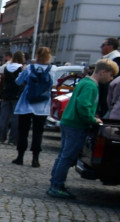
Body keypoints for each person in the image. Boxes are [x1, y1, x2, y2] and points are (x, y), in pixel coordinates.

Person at [47, 58, 115, 198]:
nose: (111, 78)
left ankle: (55, 182)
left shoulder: (84, 81)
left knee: (63, 155)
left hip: (68, 121)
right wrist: (92, 119)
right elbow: (83, 105)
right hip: (76, 124)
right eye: (111, 75)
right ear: (103, 72)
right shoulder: (91, 86)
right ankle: (57, 186)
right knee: (68, 156)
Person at [12, 46, 54, 167]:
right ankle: (35, 159)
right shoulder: (52, 69)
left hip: (26, 104)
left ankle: (20, 157)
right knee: (38, 133)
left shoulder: (30, 68)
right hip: (42, 106)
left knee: (23, 131)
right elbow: (54, 84)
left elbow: (18, 82)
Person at [0, 51, 26, 144]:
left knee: (3, 117)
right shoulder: (21, 68)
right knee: (15, 118)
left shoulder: (6, 68)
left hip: (6, 94)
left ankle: (0, 137)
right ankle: (12, 139)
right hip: (16, 95)